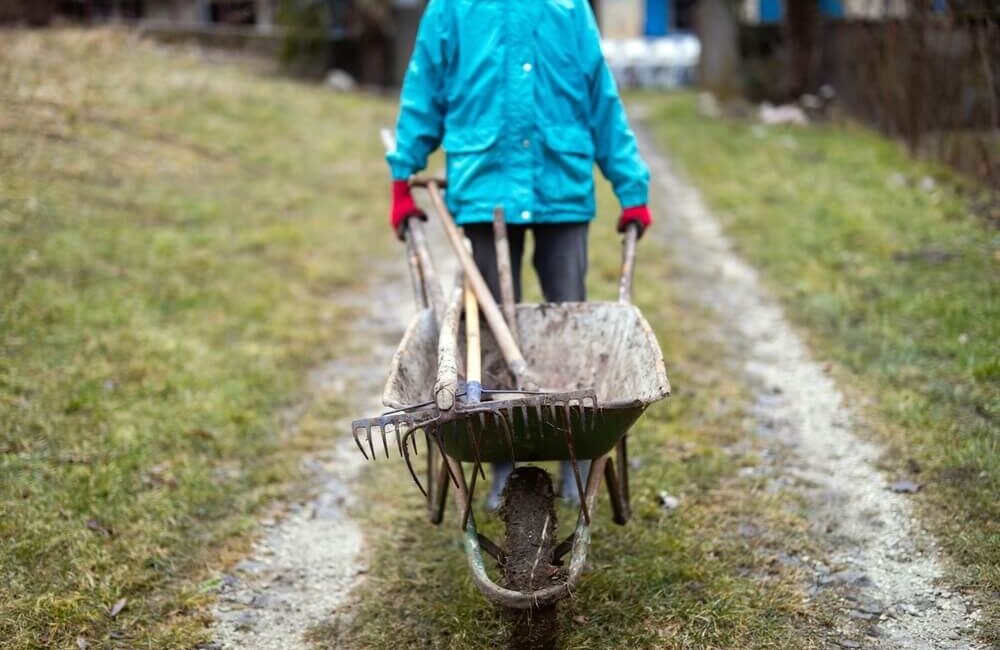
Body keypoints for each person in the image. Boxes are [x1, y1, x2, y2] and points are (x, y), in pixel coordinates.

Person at [386, 0, 652, 509]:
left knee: (569, 322)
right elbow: (424, 90)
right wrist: (404, 174)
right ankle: (501, 453)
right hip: (486, 187)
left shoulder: (568, 8)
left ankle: (574, 450)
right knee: (486, 325)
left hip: (561, 187)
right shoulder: (453, 9)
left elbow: (601, 99)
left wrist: (631, 186)